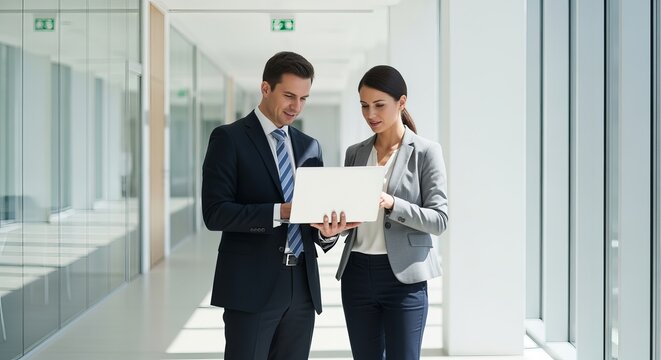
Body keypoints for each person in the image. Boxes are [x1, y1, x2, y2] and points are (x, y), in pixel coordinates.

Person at [201, 51, 355, 360]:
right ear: (265, 88)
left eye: (304, 98)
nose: (296, 107)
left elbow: (313, 218)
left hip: (301, 288)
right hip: (251, 287)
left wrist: (329, 232)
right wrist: (279, 211)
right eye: (289, 95)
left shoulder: (309, 146)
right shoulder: (229, 139)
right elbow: (215, 212)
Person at [322, 65, 448, 359]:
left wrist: (392, 203)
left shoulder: (426, 152)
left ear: (401, 103)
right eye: (364, 106)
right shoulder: (355, 153)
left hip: (404, 279)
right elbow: (351, 216)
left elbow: (440, 220)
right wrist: (333, 230)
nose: (370, 114)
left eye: (379, 105)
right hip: (357, 273)